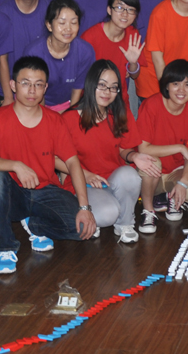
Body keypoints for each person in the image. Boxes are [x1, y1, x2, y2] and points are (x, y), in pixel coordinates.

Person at [0, 56, 96, 275]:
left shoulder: (54, 120)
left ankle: (35, 224)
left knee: (84, 230)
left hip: (45, 191)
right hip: (12, 194)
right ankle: (5, 247)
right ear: (13, 85)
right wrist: (16, 165)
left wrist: (85, 208)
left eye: (38, 84)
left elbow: (72, 162)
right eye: (25, 83)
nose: (32, 90)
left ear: (45, 88)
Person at [63, 59, 159, 244]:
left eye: (113, 87)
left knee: (130, 175)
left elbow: (123, 149)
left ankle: (125, 223)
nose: (107, 92)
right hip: (84, 182)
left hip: (112, 179)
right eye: (102, 85)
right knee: (107, 214)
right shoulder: (69, 118)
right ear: (91, 84)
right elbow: (57, 159)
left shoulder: (120, 113)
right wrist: (86, 175)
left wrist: (134, 156)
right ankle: (104, 209)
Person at [137, 60, 188, 227]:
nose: (181, 90)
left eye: (187, 84)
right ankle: (148, 210)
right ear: (166, 85)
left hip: (176, 170)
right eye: (175, 84)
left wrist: (182, 183)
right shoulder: (151, 105)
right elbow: (143, 148)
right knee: (151, 163)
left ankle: (171, 196)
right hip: (152, 171)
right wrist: (180, 148)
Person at [21, 0, 95, 111]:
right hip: (36, 102)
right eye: (62, 23)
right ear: (49, 25)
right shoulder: (33, 52)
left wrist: (70, 115)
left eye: (74, 22)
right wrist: (47, 117)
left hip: (69, 103)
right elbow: (35, 92)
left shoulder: (85, 52)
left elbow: (77, 90)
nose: (68, 29)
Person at [0, 0, 49, 106]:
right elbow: (1, 59)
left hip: (39, 88)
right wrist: (8, 96)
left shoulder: (49, 10)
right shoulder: (2, 13)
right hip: (7, 88)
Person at [81, 0, 144, 105]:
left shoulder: (133, 34)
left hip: (119, 100)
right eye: (119, 8)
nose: (125, 14)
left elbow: (134, 75)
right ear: (109, 10)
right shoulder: (90, 37)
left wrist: (133, 63)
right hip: (93, 100)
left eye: (131, 10)